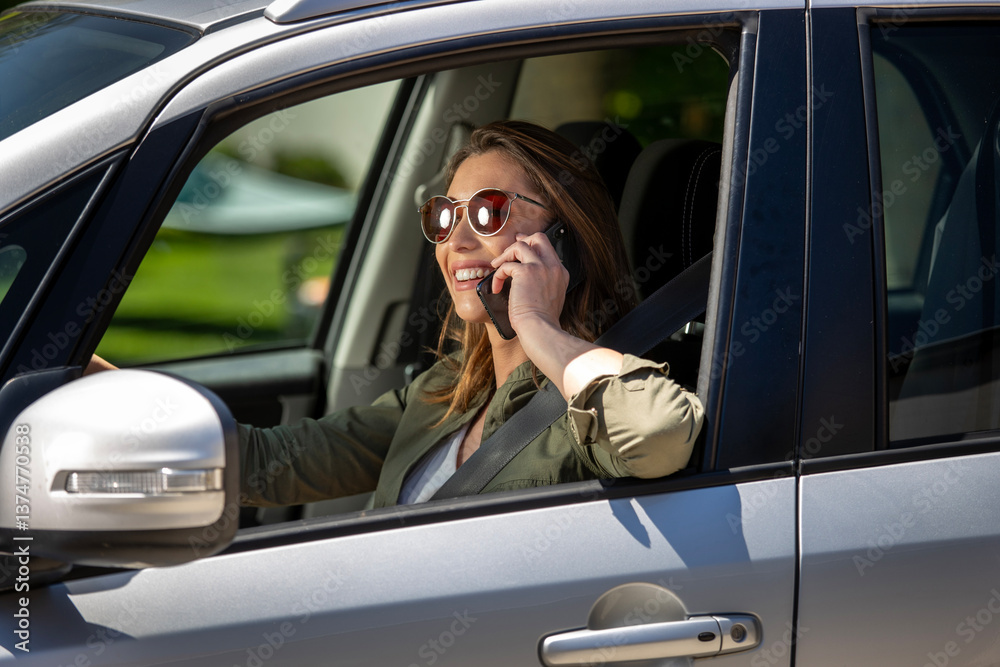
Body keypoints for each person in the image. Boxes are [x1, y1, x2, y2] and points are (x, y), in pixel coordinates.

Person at [92, 120, 705, 508]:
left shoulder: (596, 401)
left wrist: (539, 327)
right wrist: (90, 384)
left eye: (488, 211)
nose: (455, 241)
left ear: (564, 236)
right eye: (445, 215)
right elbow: (266, 466)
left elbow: (657, 435)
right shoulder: (447, 389)